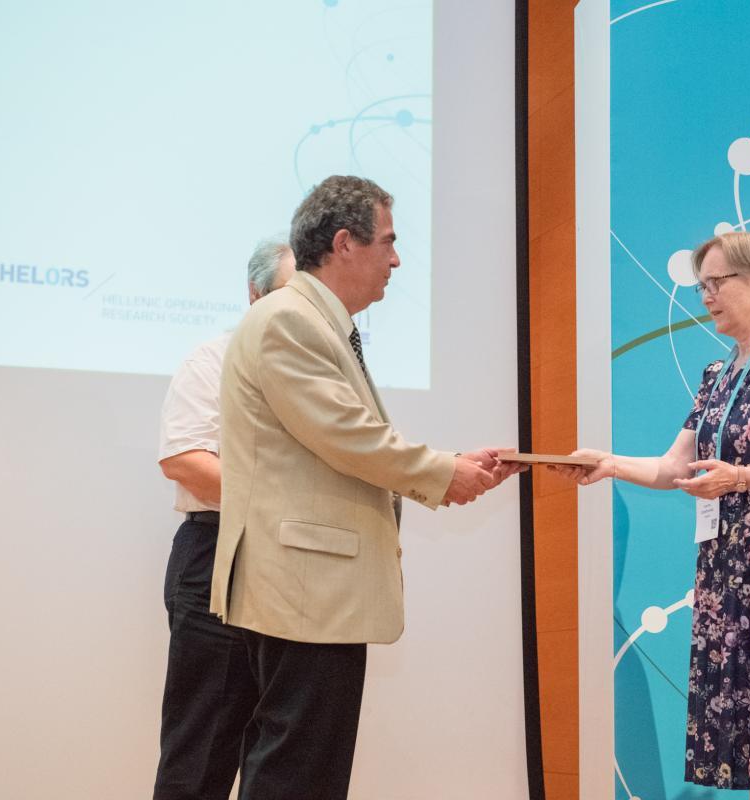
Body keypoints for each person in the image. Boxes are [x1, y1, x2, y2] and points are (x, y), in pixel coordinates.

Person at [209, 175, 521, 800]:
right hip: (307, 589)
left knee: (304, 768)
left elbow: (341, 439)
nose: (397, 260)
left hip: (311, 589)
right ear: (344, 244)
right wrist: (445, 473)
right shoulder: (289, 320)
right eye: (388, 242)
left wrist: (452, 463)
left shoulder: (315, 322)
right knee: (297, 773)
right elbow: (347, 437)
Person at [555, 232, 750, 798]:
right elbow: (674, 468)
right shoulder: (717, 375)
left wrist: (740, 477)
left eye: (716, 283)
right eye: (701, 286)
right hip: (727, 568)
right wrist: (606, 463)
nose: (706, 296)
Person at [153, 238, 296, 800]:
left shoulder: (327, 374)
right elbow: (184, 460)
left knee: (282, 757)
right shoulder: (212, 361)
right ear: (255, 294)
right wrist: (286, 503)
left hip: (297, 567)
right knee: (200, 757)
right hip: (220, 557)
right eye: (289, 295)